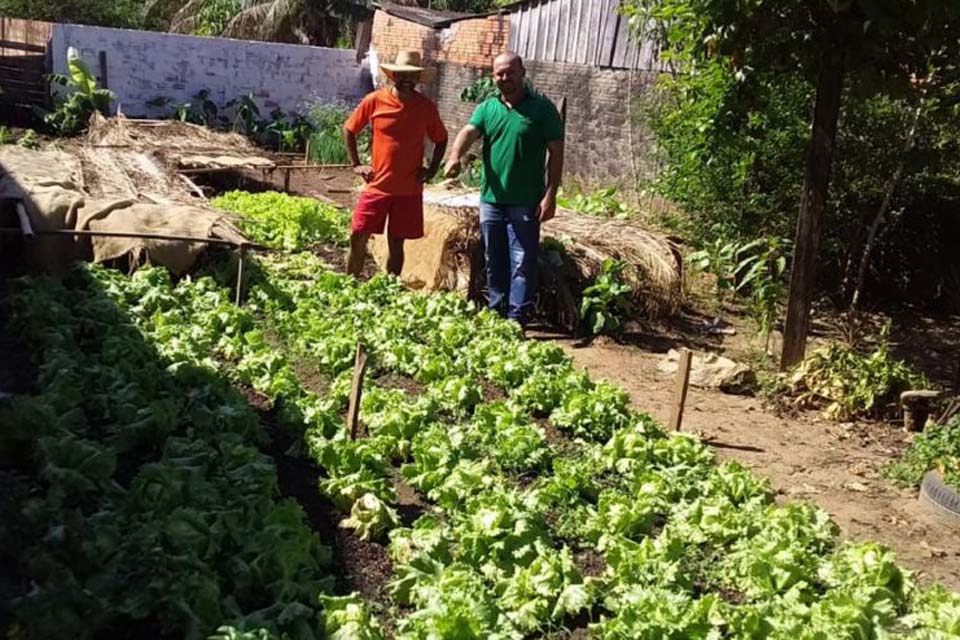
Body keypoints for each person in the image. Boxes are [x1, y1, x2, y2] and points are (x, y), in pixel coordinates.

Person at [444, 52, 564, 327]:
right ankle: (496, 312)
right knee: (494, 259)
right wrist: (454, 157)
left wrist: (550, 193)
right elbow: (468, 132)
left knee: (522, 262)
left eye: (510, 72)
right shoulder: (487, 108)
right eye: (499, 74)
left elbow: (556, 153)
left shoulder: (543, 110)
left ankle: (516, 319)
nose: (505, 78)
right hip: (491, 200)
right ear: (492, 77)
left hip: (526, 202)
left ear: (522, 72)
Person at [343, 51, 448, 277]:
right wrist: (357, 164)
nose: (406, 80)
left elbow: (441, 139)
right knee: (358, 234)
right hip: (377, 185)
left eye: (412, 76)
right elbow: (349, 129)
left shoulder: (425, 107)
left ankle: (388, 289)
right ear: (394, 76)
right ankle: (350, 283)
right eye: (402, 75)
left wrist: (432, 169)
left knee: (396, 242)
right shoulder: (375, 100)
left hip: (408, 189)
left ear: (418, 78)